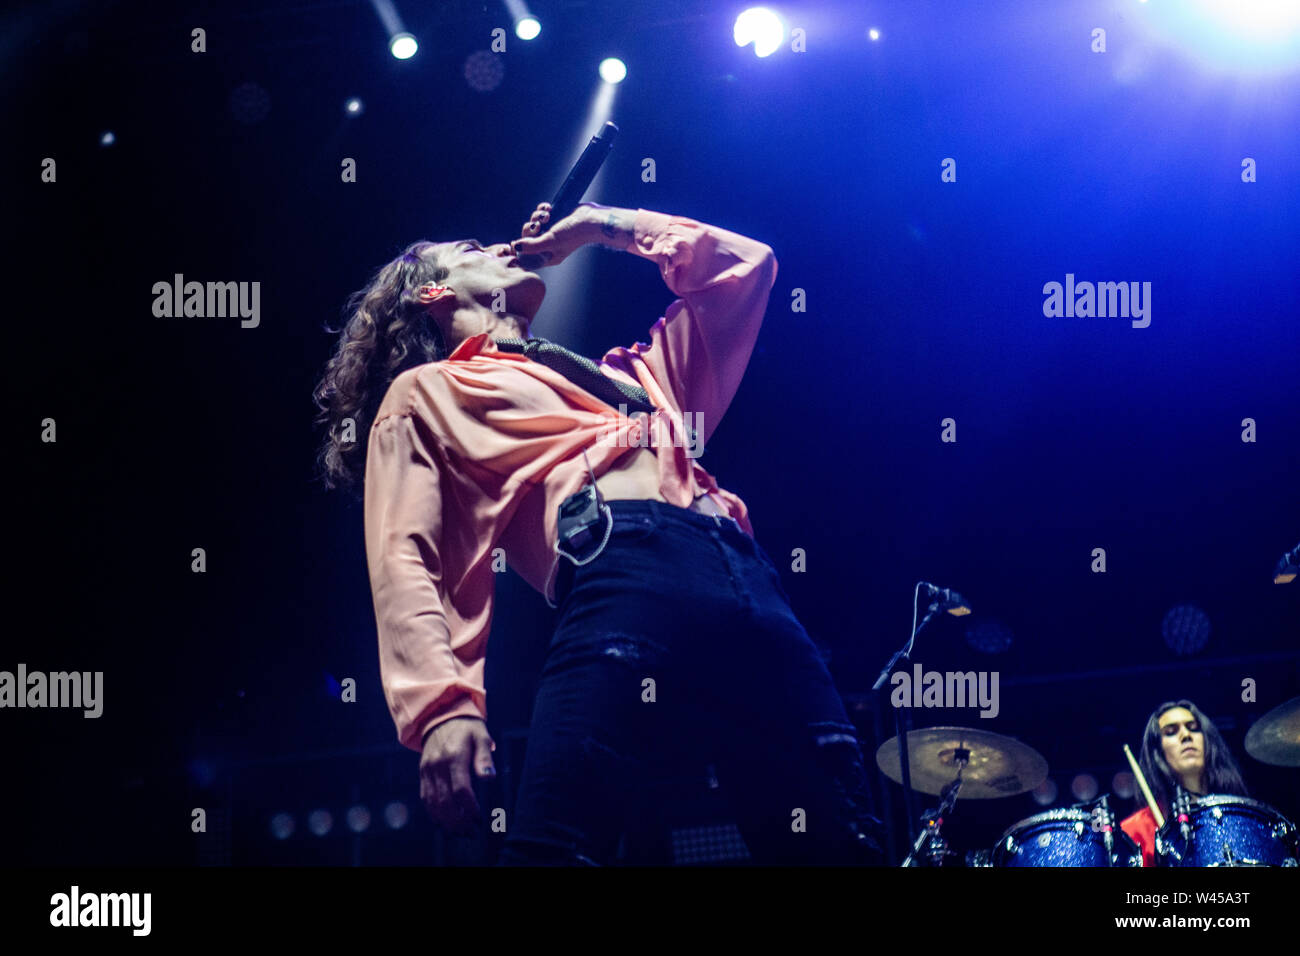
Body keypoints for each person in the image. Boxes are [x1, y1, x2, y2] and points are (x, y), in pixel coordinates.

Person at [312, 200, 885, 865]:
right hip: (624, 575)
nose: (497, 246)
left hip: (748, 581)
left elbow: (746, 270)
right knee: (557, 850)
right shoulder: (427, 391)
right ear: (433, 293)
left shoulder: (630, 378)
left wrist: (599, 227)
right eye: (470, 246)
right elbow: (404, 556)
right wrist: (442, 706)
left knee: (844, 846)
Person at [1119, 699, 1249, 866]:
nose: (1186, 735)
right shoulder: (1135, 831)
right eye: (1171, 731)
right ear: (1158, 752)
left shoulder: (1240, 817)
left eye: (1193, 728)